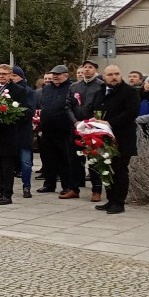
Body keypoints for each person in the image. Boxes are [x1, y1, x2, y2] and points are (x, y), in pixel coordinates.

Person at [92, 65, 141, 215]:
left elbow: (132, 112)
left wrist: (110, 123)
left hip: (122, 138)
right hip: (104, 139)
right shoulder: (100, 92)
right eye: (110, 74)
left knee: (120, 170)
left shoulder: (130, 92)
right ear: (104, 77)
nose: (114, 77)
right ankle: (110, 200)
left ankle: (119, 203)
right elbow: (94, 109)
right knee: (107, 168)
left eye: (117, 74)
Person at [0, 64, 29, 205]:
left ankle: (7, 194)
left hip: (8, 134)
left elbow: (24, 112)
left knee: (7, 166)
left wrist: (7, 115)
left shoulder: (18, 90)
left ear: (10, 75)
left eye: (4, 74)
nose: (1, 76)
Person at [67, 59, 106, 202]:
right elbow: (68, 106)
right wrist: (75, 122)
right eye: (85, 67)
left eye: (90, 67)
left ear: (95, 70)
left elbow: (103, 107)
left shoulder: (101, 86)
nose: (87, 70)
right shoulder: (74, 86)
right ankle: (74, 189)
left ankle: (96, 190)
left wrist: (94, 122)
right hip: (77, 128)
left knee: (94, 160)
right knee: (75, 160)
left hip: (93, 129)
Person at [36, 65, 75, 196]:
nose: (55, 76)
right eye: (53, 74)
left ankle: (67, 185)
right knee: (48, 159)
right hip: (47, 129)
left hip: (64, 130)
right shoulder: (47, 89)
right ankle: (49, 184)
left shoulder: (71, 87)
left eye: (58, 74)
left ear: (66, 75)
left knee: (64, 159)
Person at [10, 66, 37, 198]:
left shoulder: (28, 91)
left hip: (23, 131)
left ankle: (26, 186)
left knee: (25, 162)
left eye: (14, 75)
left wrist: (13, 114)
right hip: (10, 132)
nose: (12, 78)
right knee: (8, 161)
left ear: (20, 77)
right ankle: (5, 187)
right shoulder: (7, 90)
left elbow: (30, 111)